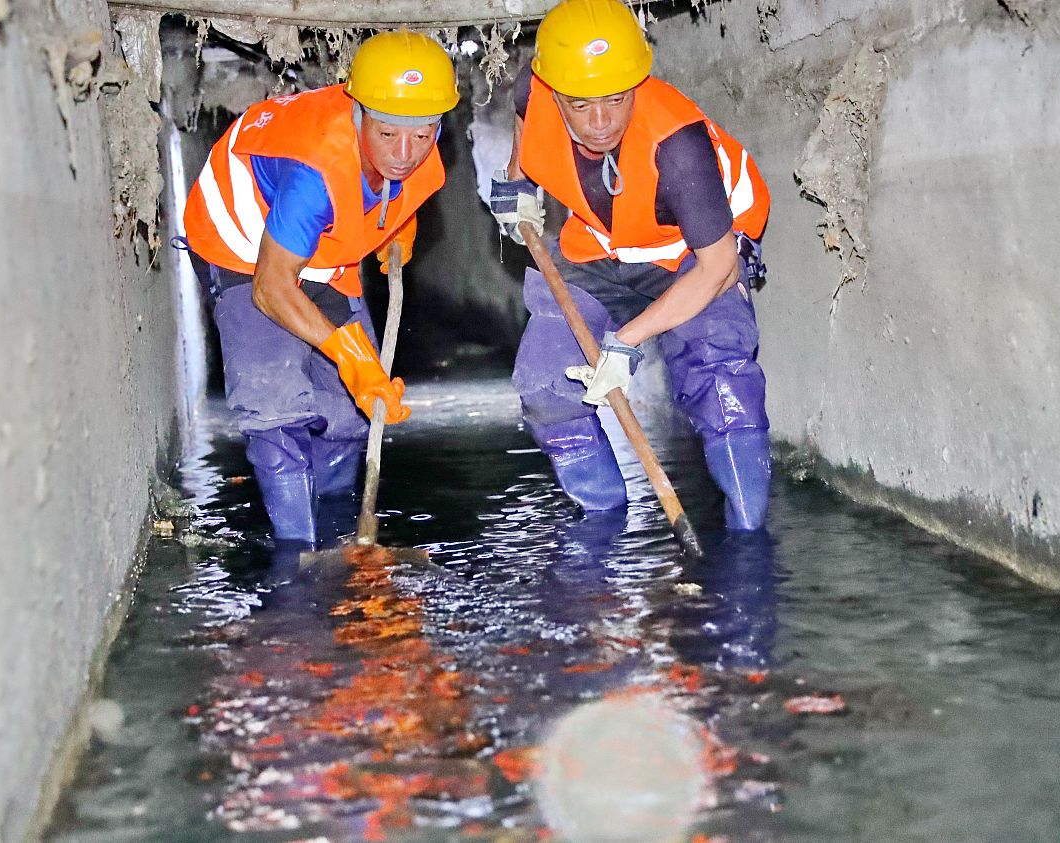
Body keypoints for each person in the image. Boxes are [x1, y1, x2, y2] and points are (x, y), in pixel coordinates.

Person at [489, 0, 772, 530]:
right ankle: (604, 524)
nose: (600, 123)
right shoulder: (536, 88)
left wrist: (625, 343)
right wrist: (518, 186)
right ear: (554, 91)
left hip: (695, 253)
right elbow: (526, 129)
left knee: (720, 374)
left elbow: (717, 269)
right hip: (600, 248)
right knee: (547, 386)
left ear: (637, 82)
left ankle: (747, 538)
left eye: (617, 100)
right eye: (579, 105)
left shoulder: (678, 143)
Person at [181, 30, 459, 543]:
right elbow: (270, 287)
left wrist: (394, 226)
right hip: (244, 246)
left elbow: (390, 184)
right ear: (358, 112)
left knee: (354, 408)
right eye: (387, 134)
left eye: (421, 135)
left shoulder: (417, 145)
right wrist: (343, 351)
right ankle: (297, 550)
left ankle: (335, 528)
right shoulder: (314, 166)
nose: (404, 152)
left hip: (323, 253)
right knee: (276, 402)